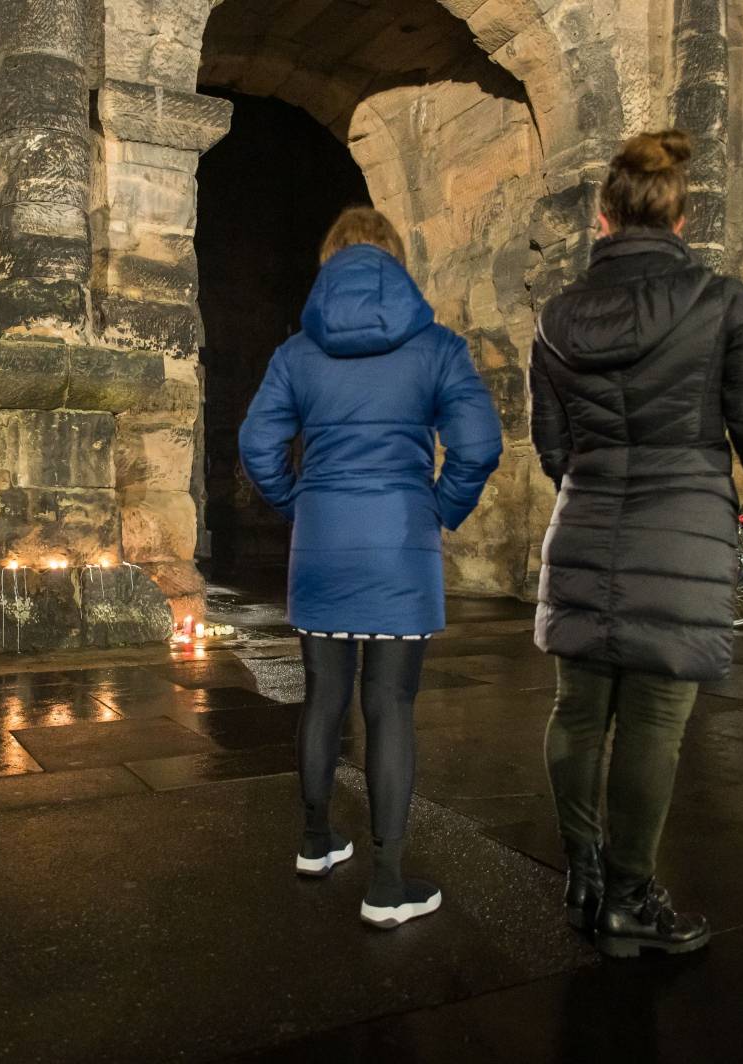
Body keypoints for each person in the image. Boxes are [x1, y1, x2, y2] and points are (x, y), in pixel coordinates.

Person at [531, 130, 743, 958]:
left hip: (587, 522)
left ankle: (583, 877)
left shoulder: (556, 319)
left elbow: (551, 445)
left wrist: (595, 488)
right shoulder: (722, 303)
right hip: (686, 526)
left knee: (578, 711)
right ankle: (630, 897)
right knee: (655, 721)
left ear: (603, 217)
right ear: (682, 216)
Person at [239, 207, 503, 929]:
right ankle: (387, 882)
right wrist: (438, 508)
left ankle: (316, 841)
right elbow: (479, 444)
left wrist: (302, 502)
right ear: (394, 260)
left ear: (332, 262)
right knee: (390, 707)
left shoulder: (298, 353)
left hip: (322, 544)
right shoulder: (437, 347)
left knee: (324, 697)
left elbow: (257, 443)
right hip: (399, 546)